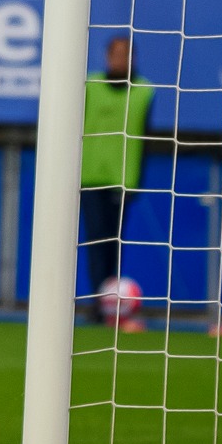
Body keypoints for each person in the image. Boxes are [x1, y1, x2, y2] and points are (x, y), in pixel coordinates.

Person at [81, 35, 151, 329]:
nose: (120, 59)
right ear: (107, 56)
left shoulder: (144, 91)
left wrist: (137, 181)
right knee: (96, 242)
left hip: (122, 179)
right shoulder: (90, 85)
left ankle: (113, 305)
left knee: (114, 244)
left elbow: (145, 137)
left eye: (126, 54)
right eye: (116, 54)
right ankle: (101, 304)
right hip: (91, 175)